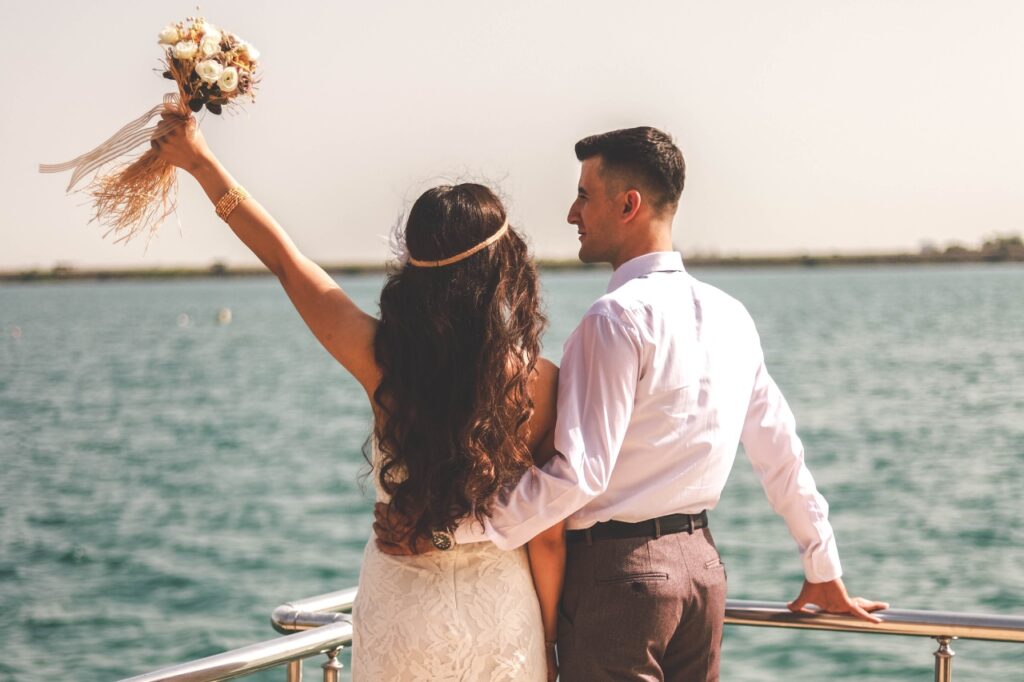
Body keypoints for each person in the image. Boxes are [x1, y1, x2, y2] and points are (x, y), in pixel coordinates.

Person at [376, 126, 888, 681]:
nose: (573, 214)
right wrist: (821, 563)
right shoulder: (731, 316)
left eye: (583, 196)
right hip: (702, 572)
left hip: (620, 581)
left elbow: (578, 478)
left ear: (628, 204)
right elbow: (779, 451)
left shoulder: (614, 318)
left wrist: (452, 533)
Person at [150, 112, 566, 681]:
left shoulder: (381, 357)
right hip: (500, 617)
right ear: (505, 270)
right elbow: (547, 537)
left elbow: (284, 260)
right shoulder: (538, 380)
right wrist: (548, 638)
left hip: (401, 611)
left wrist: (201, 162)